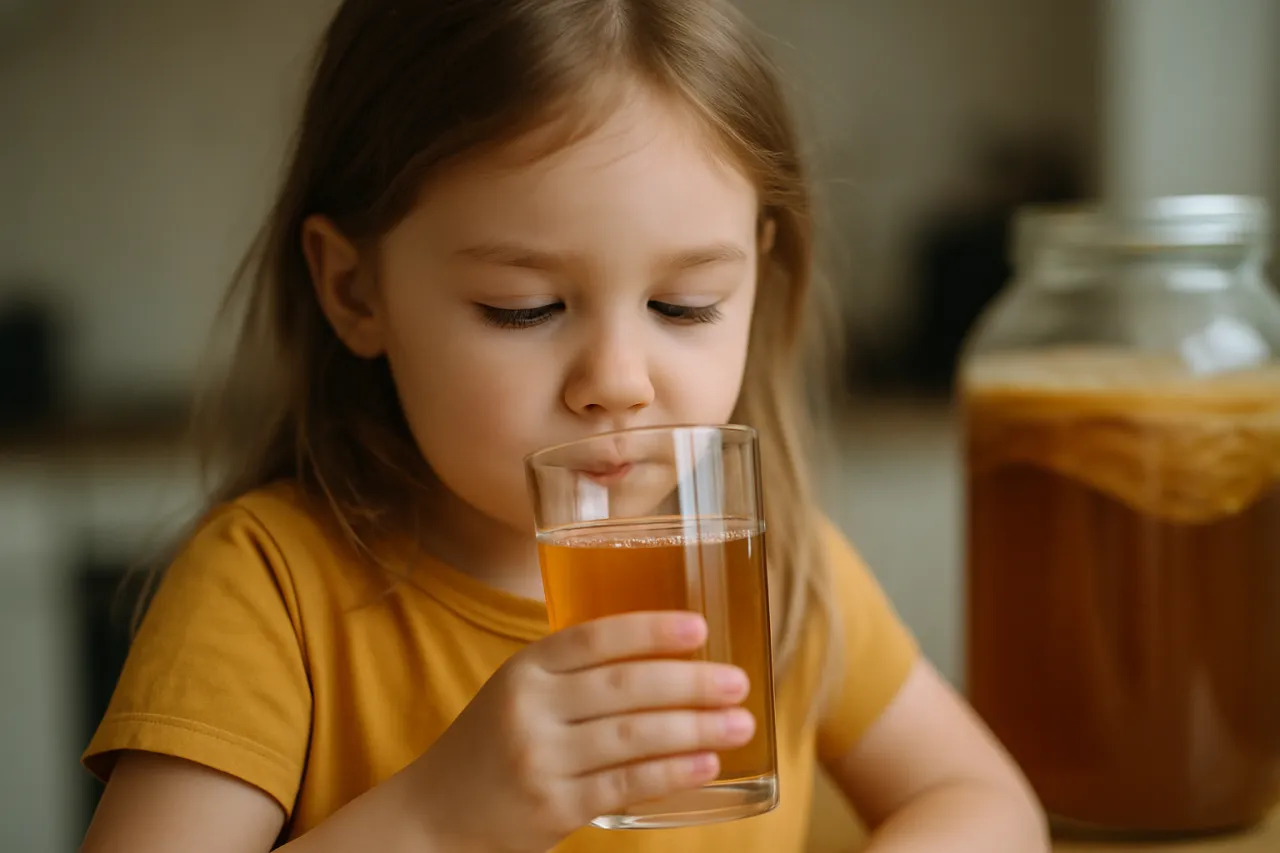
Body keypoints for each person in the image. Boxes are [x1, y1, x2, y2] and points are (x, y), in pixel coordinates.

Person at [80, 2, 1049, 851]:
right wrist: (437, 821)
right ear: (354, 289)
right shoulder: (270, 591)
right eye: (524, 309)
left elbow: (983, 800)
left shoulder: (779, 570)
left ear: (758, 271)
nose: (616, 383)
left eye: (684, 305)